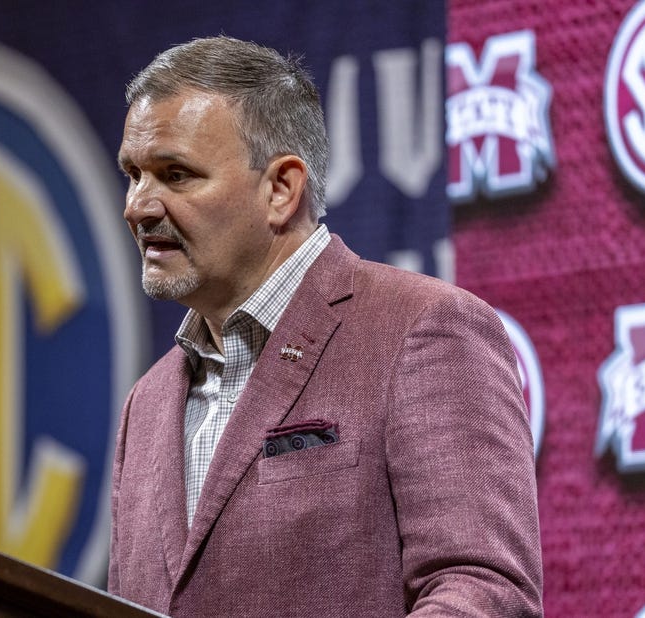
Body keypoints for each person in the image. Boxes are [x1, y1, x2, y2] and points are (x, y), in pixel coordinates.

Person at [108, 36, 542, 617]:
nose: (139, 205)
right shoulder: (147, 403)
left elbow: (485, 593)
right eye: (133, 174)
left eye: (175, 174)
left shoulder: (426, 330)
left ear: (281, 189)